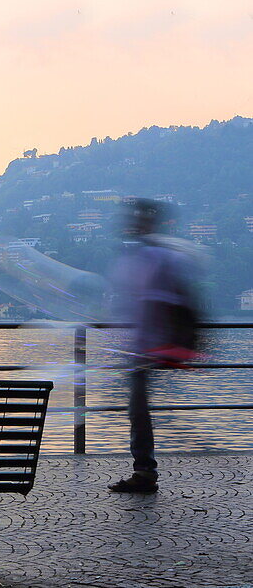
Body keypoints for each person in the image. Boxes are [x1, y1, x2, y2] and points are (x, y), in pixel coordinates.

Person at [107, 199, 204, 494]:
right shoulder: (146, 257)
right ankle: (145, 468)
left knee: (138, 408)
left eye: (138, 219)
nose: (134, 223)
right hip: (142, 347)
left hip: (150, 348)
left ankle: (145, 471)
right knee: (138, 409)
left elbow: (171, 299)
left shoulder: (156, 257)